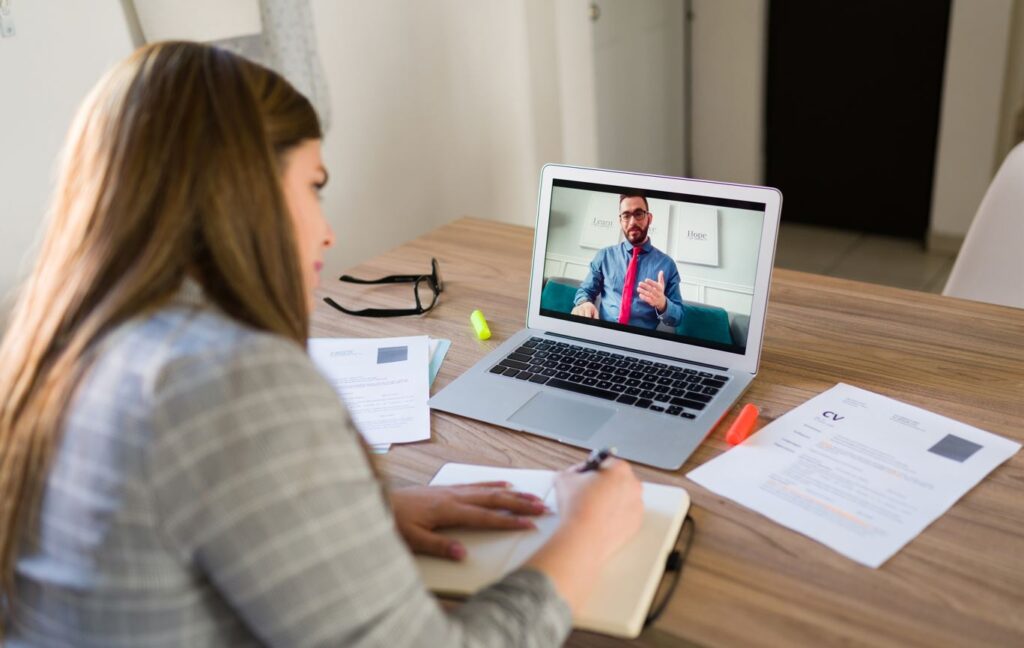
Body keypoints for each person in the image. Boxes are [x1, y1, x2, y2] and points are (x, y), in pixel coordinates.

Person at [0, 42, 643, 646]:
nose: (329, 233)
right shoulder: (229, 382)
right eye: (314, 186)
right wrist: (588, 531)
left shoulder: (61, 347)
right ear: (244, 197)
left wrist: (348, 513)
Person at [571, 193, 684, 330]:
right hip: (604, 333)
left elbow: (678, 317)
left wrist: (663, 304)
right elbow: (585, 291)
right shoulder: (604, 256)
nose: (632, 222)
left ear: (649, 218)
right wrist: (584, 303)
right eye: (626, 215)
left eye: (638, 214)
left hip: (642, 341)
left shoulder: (667, 265)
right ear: (620, 221)